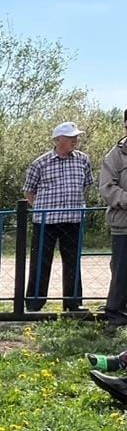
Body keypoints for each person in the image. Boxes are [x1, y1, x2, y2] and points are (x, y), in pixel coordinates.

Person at [25, 122, 94, 313]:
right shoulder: (40, 163)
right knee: (40, 261)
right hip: (46, 221)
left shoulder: (83, 160)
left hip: (73, 219)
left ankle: (73, 304)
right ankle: (34, 303)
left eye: (76, 137)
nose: (75, 140)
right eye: (70, 137)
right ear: (57, 140)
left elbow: (86, 185)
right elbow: (29, 191)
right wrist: (41, 209)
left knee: (73, 261)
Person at [100, 110, 127, 329]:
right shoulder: (115, 156)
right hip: (123, 225)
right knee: (121, 271)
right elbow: (108, 188)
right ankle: (115, 315)